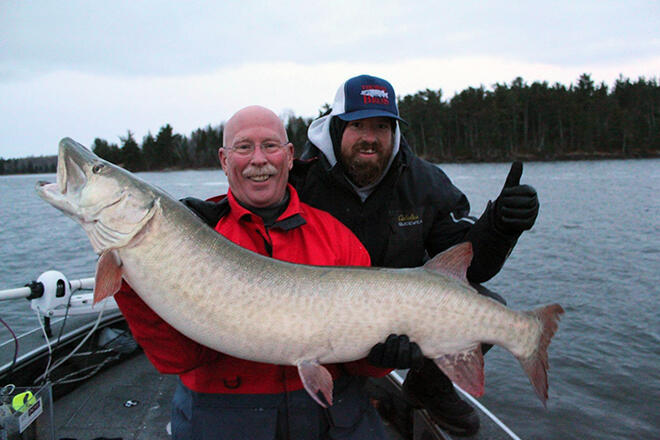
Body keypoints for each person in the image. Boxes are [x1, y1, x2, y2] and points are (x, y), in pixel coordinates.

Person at [114, 105, 394, 440]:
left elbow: (357, 360)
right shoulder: (195, 235)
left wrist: (383, 358)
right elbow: (179, 358)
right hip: (225, 416)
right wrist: (130, 277)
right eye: (244, 147)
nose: (258, 159)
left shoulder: (336, 238)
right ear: (224, 159)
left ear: (290, 156)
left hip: (328, 415)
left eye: (271, 146)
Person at [290, 75, 540, 436]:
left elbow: (472, 269)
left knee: (484, 302)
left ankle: (429, 386)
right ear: (336, 127)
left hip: (401, 318)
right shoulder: (301, 181)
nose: (370, 137)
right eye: (358, 125)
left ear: (394, 132)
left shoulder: (425, 182)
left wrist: (501, 226)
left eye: (381, 126)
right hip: (319, 321)